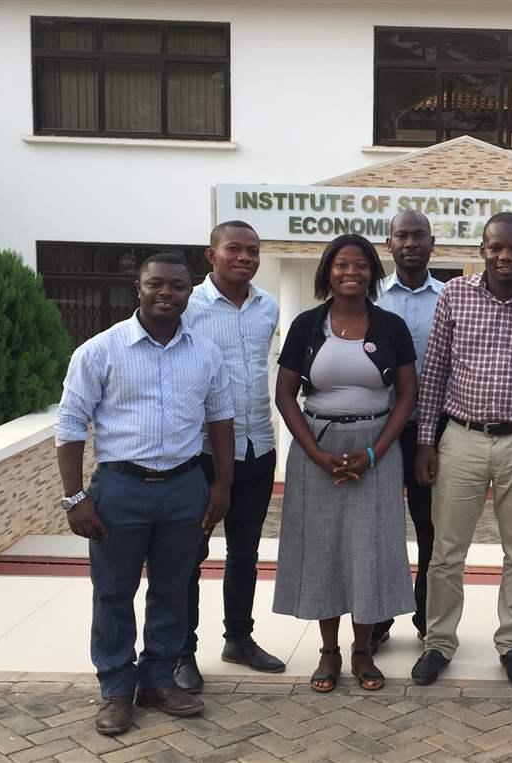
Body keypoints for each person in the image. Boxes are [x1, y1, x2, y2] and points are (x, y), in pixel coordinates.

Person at [55, 253, 234, 736]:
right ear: (139, 287)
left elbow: (220, 419)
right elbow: (70, 424)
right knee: (114, 592)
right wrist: (75, 497)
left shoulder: (206, 352)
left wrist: (221, 485)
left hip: (183, 487)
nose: (166, 293)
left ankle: (157, 679)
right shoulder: (100, 350)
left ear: (189, 291)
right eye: (156, 284)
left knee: (173, 589)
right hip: (119, 489)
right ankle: (116, 688)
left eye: (177, 286)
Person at [412, 211, 512, 688]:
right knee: (445, 551)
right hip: (460, 437)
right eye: (496, 247)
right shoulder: (455, 295)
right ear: (481, 250)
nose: (505, 255)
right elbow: (435, 369)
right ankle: (439, 642)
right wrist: (425, 440)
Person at [271, 233, 418, 693]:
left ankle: (362, 650)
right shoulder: (306, 325)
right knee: (324, 550)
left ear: (374, 273)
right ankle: (329, 651)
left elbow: (407, 395)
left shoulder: (391, 326)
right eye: (341, 265)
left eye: (360, 265)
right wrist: (314, 451)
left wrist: (375, 452)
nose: (351, 272)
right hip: (318, 449)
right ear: (327, 272)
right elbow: (285, 394)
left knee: (368, 549)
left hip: (377, 448)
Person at [174, 221, 285, 693]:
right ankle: (181, 650)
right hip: (199, 453)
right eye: (234, 249)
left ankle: (239, 638)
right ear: (211, 255)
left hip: (257, 447)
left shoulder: (268, 307)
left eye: (253, 251)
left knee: (245, 552)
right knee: (189, 556)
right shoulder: (189, 307)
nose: (245, 257)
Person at [369, 209, 444, 651]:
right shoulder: (369, 297)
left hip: (433, 430)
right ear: (390, 244)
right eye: (402, 236)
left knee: (432, 527)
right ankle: (376, 620)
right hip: (379, 427)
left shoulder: (452, 296)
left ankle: (428, 617)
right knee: (379, 525)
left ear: (432, 245)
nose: (411, 243)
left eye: (419, 236)